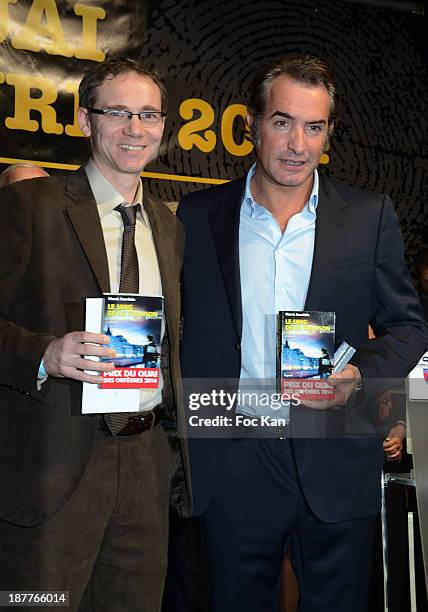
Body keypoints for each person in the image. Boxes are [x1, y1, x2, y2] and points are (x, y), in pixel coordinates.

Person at [176, 53, 428, 612]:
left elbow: (408, 326)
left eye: (313, 127)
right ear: (252, 124)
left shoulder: (369, 216)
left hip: (336, 444)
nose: (297, 144)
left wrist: (362, 374)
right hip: (234, 453)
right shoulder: (196, 217)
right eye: (282, 121)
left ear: (328, 134)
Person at [0, 56, 190, 612]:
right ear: (86, 121)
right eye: (118, 113)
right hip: (54, 464)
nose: (136, 129)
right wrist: (44, 353)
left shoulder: (170, 226)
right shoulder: (30, 206)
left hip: (146, 463)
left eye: (149, 114)